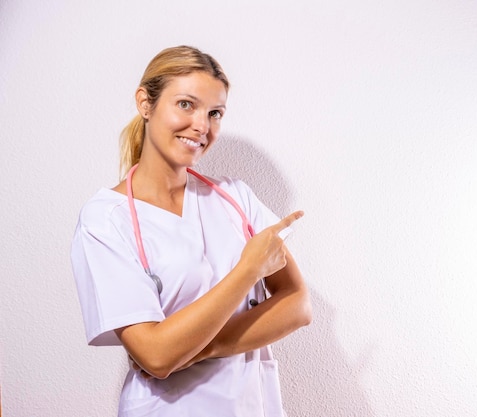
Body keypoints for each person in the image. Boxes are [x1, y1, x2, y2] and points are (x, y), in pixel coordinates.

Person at [70, 45, 312, 417]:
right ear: (145, 103)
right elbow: (155, 354)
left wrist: (202, 348)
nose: (202, 125)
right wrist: (248, 269)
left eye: (215, 113)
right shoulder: (106, 219)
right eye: (186, 104)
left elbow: (297, 304)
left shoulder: (235, 198)